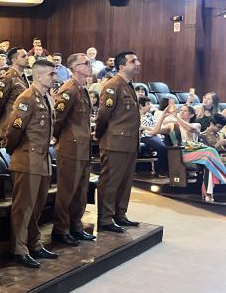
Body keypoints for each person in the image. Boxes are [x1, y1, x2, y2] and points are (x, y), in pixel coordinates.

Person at [1, 60, 58, 268]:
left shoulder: (47, 98)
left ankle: (34, 243)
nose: (55, 78)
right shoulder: (26, 97)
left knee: (37, 205)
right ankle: (18, 248)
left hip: (42, 160)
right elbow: (14, 128)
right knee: (23, 207)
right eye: (51, 74)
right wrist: (13, 151)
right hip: (27, 159)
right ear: (39, 75)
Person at [51, 53, 98, 245]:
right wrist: (62, 139)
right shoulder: (69, 88)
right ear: (75, 68)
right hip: (70, 147)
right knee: (67, 191)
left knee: (80, 190)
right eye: (85, 63)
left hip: (83, 147)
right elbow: (57, 119)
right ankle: (61, 230)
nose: (89, 66)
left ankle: (76, 226)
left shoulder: (82, 87)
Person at [94, 51, 142, 232]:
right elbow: (103, 115)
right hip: (115, 142)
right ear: (121, 66)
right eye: (133, 61)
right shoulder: (113, 85)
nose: (138, 63)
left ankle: (120, 214)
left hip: (129, 142)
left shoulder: (128, 85)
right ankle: (106, 219)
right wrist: (100, 135)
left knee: (125, 181)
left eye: (137, 60)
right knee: (111, 181)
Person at [161, 104, 226, 202]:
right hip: (189, 152)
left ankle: (208, 194)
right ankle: (213, 188)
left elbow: (191, 129)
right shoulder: (201, 134)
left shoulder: (201, 127)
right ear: (212, 124)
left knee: (210, 163)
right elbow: (154, 131)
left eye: (185, 110)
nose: (182, 112)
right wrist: (165, 116)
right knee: (210, 157)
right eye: (181, 110)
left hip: (203, 154)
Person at [0, 47, 30, 131]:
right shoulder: (8, 78)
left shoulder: (24, 77)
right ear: (14, 60)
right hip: (10, 124)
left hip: (22, 123)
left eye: (27, 56)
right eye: (24, 56)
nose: (27, 58)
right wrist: (3, 119)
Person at [139, 97, 169, 176]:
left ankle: (170, 169)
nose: (150, 106)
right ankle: (162, 171)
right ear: (141, 106)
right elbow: (139, 128)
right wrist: (149, 129)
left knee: (169, 144)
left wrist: (147, 128)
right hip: (144, 136)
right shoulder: (136, 116)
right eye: (148, 104)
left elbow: (157, 126)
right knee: (162, 147)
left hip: (156, 134)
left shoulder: (150, 115)